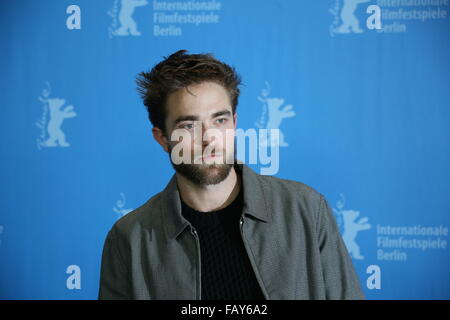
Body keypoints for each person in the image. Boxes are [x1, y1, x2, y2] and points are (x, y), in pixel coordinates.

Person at [98, 49, 364, 300]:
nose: (209, 139)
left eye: (219, 120)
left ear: (235, 123)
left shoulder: (306, 209)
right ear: (163, 138)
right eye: (189, 126)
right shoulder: (128, 239)